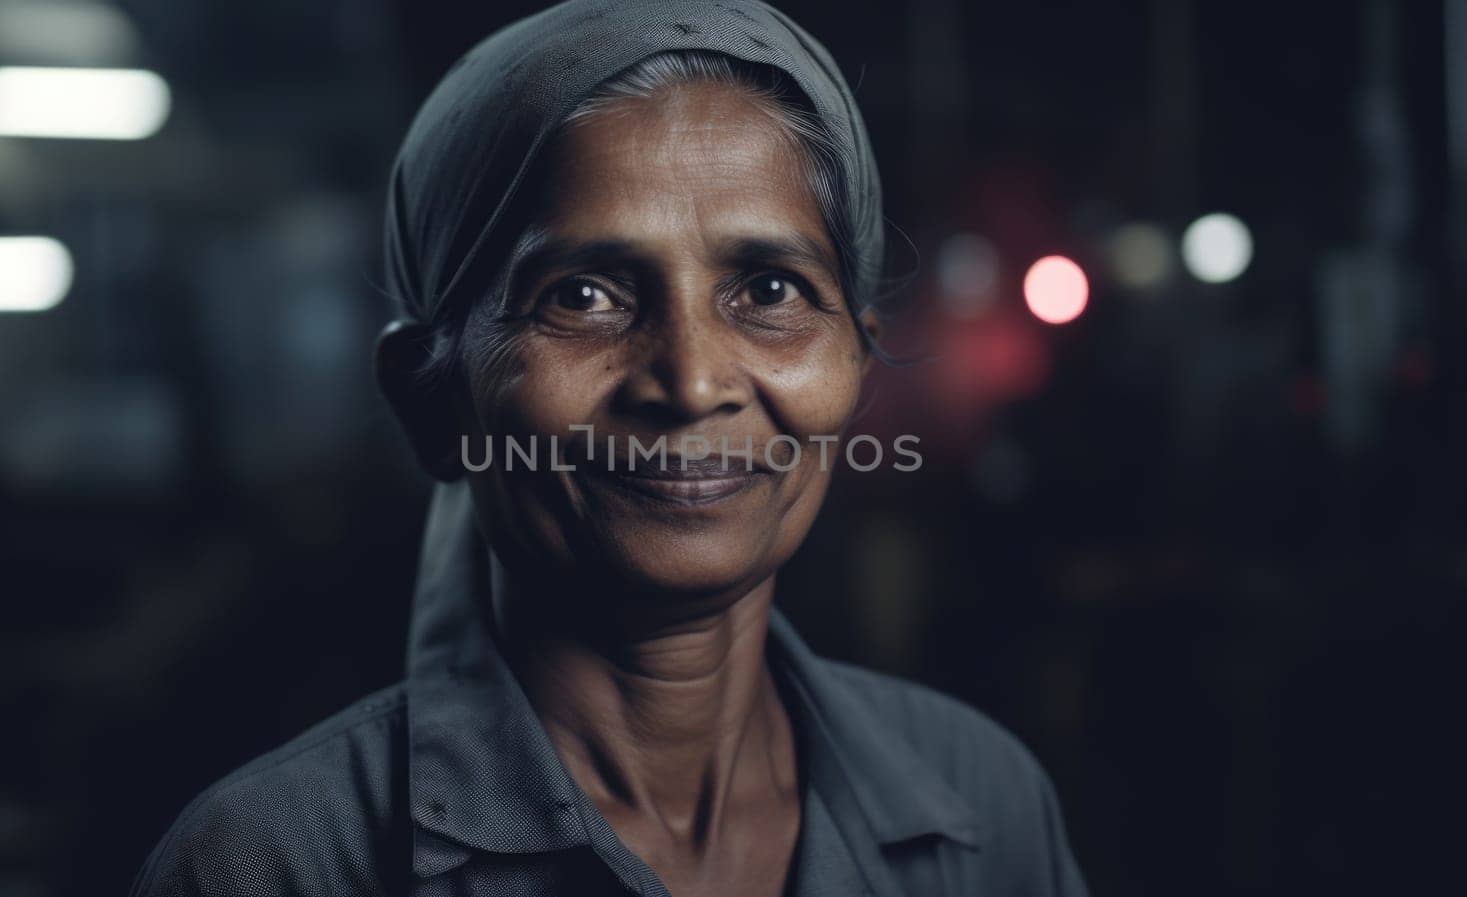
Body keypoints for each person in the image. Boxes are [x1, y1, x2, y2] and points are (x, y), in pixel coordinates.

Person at [130, 2, 1090, 895]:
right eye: (582, 296)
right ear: (432, 403)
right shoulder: (276, 861)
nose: (691, 382)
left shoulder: (982, 808)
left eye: (768, 291)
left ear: (856, 359)